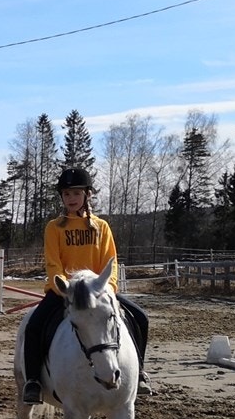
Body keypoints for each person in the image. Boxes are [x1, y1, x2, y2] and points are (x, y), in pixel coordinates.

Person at [20, 167, 150, 403]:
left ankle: (139, 373)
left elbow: (110, 262)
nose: (71, 199)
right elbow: (53, 264)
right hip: (64, 293)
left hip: (98, 293)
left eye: (76, 194)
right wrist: (65, 289)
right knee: (33, 326)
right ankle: (33, 382)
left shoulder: (102, 227)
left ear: (87, 195)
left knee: (140, 318)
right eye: (67, 194)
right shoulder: (54, 228)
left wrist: (106, 289)